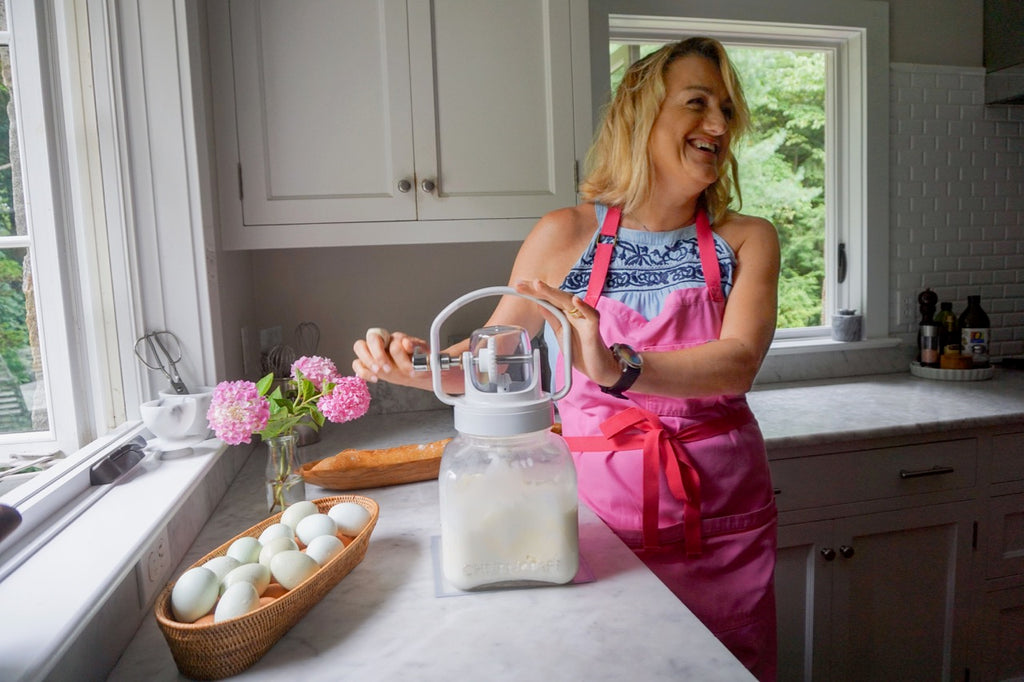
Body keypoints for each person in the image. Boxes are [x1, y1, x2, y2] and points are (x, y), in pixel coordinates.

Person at [352, 37, 780, 680]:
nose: (719, 125)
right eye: (698, 103)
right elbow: (495, 356)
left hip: (719, 515)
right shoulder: (565, 235)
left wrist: (619, 367)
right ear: (642, 116)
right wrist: (412, 366)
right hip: (597, 515)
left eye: (726, 109)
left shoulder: (746, 239)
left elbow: (738, 361)